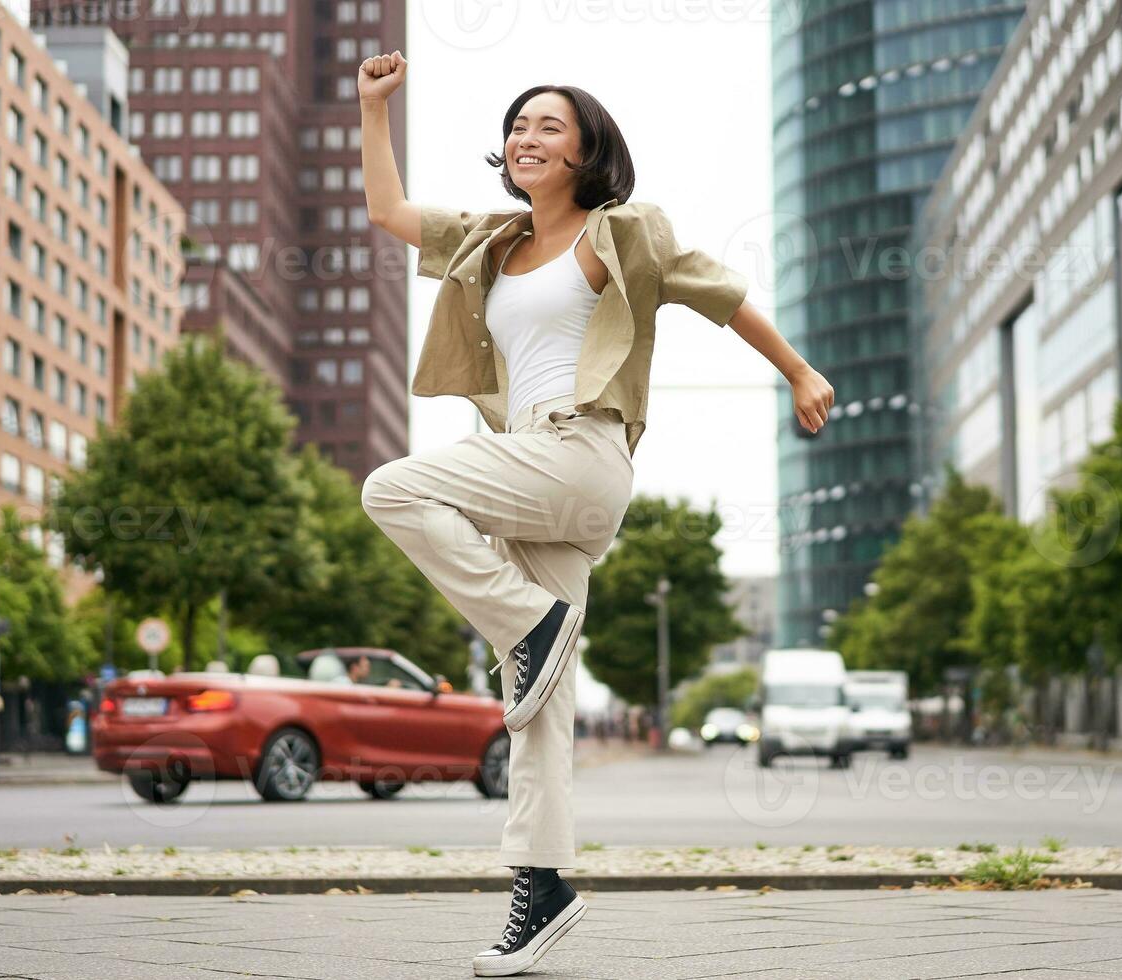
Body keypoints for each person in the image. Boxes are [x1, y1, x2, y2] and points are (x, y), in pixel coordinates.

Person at [353, 52, 834, 978]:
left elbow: (721, 294)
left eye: (548, 127)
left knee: (392, 488)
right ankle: (543, 887)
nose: (525, 138)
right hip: (527, 464)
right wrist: (375, 111)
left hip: (581, 450)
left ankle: (528, 624)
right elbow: (387, 212)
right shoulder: (489, 241)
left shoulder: (623, 234)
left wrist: (800, 371)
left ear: (586, 153)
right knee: (539, 711)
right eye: (518, 126)